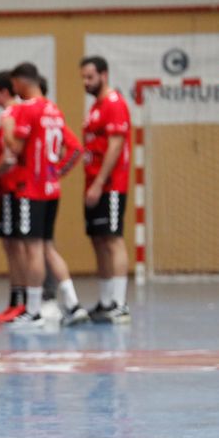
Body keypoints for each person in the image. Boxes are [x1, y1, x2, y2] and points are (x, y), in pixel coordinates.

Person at [1, 62, 90, 329]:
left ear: (21, 82)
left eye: (14, 85)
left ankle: (34, 310)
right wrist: (56, 173)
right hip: (51, 189)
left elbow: (16, 147)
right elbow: (75, 149)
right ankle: (73, 304)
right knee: (48, 247)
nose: (13, 90)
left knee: (33, 249)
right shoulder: (54, 109)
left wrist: (7, 125)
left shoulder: (27, 110)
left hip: (31, 189)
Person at [81, 55, 132, 324]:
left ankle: (121, 304)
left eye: (90, 77)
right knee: (98, 240)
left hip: (110, 185)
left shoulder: (114, 104)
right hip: (92, 184)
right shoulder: (95, 107)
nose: (85, 82)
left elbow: (114, 146)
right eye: (83, 78)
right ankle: (105, 301)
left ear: (104, 74)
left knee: (112, 239)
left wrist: (100, 182)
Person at [0, 70, 27, 323]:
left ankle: (23, 300)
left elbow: (11, 155)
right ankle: (16, 299)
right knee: (11, 245)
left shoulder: (11, 115)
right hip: (10, 189)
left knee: (18, 246)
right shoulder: (14, 114)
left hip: (14, 187)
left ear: (3, 91)